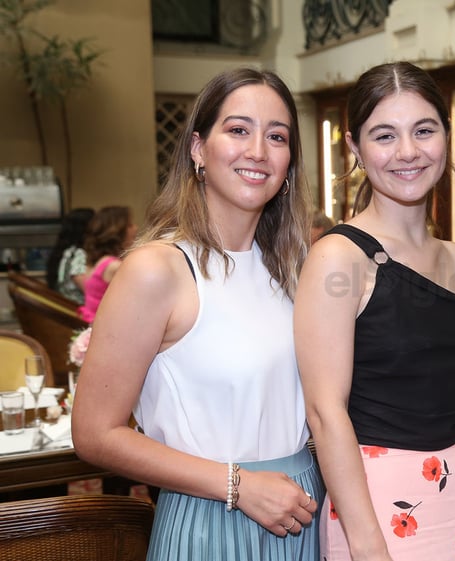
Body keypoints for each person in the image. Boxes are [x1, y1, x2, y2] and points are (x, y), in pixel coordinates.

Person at [71, 67, 322, 560]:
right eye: (237, 130)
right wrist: (238, 486)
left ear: (289, 163)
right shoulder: (157, 270)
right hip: (214, 518)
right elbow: (94, 434)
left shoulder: (294, 270)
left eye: (277, 136)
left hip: (303, 514)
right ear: (197, 149)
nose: (258, 150)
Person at [294, 61, 455, 561]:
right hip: (378, 506)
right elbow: (324, 411)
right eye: (385, 135)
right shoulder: (339, 257)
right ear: (355, 148)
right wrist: (366, 545)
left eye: (424, 130)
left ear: (447, 137)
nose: (408, 152)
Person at [77, 205, 136, 322]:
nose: (136, 227)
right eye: (130, 225)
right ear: (118, 231)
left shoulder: (99, 260)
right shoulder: (114, 266)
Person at [46, 207, 95, 304]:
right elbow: (90, 291)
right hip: (76, 310)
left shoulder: (64, 251)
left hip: (65, 305)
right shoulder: (78, 254)